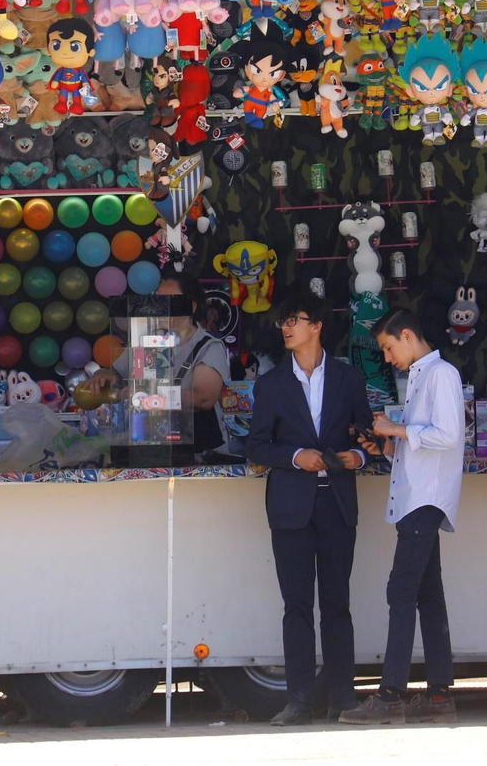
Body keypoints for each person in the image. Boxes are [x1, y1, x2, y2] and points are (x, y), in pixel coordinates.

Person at [243, 289, 373, 726]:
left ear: (316, 326)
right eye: (283, 321)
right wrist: (297, 457)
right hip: (290, 505)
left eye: (294, 319)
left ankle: (344, 699)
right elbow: (256, 444)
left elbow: (366, 434)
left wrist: (363, 456)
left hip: (336, 501)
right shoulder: (271, 383)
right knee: (296, 605)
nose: (286, 327)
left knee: (337, 602)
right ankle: (298, 700)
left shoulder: (348, 378)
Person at [339, 308, 464, 725]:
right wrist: (388, 445)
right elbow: (423, 441)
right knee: (428, 595)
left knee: (401, 591)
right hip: (419, 496)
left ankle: (391, 693)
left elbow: (448, 435)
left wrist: (395, 430)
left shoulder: (440, 373)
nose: (388, 357)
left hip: (425, 498)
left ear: (407, 336)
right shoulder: (422, 376)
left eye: (389, 348)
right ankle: (439, 694)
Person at [85, 276, 232, 461]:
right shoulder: (150, 342)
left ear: (191, 306)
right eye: (159, 299)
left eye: (171, 300)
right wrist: (103, 375)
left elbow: (202, 398)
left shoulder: (209, 346)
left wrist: (146, 397)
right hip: (151, 449)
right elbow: (118, 372)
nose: (161, 306)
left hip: (198, 454)